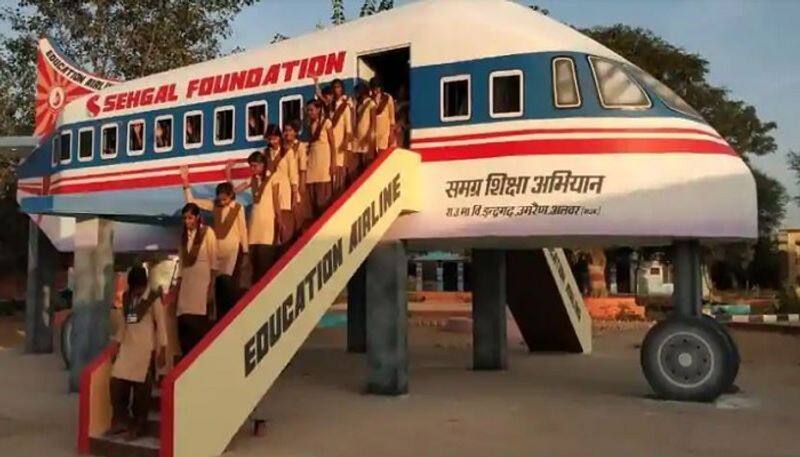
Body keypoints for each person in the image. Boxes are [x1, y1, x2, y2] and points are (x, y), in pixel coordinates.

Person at [108, 266, 167, 441]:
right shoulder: (127, 298)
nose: (137, 292)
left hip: (145, 349)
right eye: (134, 289)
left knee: (142, 392)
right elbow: (124, 325)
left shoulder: (153, 298)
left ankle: (139, 425)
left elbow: (161, 325)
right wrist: (116, 345)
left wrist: (162, 349)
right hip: (127, 348)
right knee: (116, 382)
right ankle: (120, 420)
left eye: (139, 288)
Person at [180, 170, 248, 279]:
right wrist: (185, 181)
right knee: (215, 279)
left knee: (226, 278)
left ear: (231, 196)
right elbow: (191, 201)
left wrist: (245, 252)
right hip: (216, 249)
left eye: (224, 199)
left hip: (231, 250)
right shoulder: (214, 206)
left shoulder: (238, 208)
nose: (222, 202)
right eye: (219, 200)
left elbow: (243, 230)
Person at [228, 151, 278, 282]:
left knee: (265, 263)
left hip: (267, 225)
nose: (252, 169)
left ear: (262, 165)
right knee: (253, 263)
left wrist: (279, 220)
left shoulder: (273, 177)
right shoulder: (252, 180)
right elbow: (233, 192)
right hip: (254, 225)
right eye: (251, 166)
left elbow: (277, 201)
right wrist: (228, 174)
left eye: (255, 166)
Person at [175, 203, 217, 356]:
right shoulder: (183, 237)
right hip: (186, 284)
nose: (187, 221)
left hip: (202, 282)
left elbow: (214, 261)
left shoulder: (208, 233)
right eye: (185, 218)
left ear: (198, 217)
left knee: (198, 323)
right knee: (184, 324)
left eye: (190, 218)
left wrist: (211, 286)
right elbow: (180, 265)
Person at [304, 100, 336, 218]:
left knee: (323, 199)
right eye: (308, 110)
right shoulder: (311, 124)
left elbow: (332, 144)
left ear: (318, 109)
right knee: (313, 198)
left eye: (311, 110)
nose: (310, 112)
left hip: (323, 164)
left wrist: (333, 162)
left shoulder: (326, 122)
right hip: (312, 164)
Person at [283, 120, 311, 233]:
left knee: (298, 210)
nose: (287, 133)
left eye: (290, 130)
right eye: (285, 130)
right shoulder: (282, 146)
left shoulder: (300, 146)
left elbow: (303, 168)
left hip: (297, 181)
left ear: (295, 132)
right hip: (285, 182)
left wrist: (302, 187)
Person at [326, 79, 353, 194]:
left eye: (339, 87)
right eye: (335, 87)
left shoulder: (345, 106)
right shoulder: (331, 106)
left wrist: (345, 142)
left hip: (341, 144)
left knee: (340, 175)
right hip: (331, 144)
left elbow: (349, 128)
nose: (337, 89)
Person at [350, 82, 377, 178]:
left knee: (367, 161)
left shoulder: (371, 103)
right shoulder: (359, 103)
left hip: (367, 134)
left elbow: (374, 121)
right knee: (359, 161)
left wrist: (369, 134)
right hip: (359, 135)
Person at [371, 77, 396, 152]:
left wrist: (391, 133)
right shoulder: (370, 99)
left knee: (383, 155)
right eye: (374, 88)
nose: (376, 90)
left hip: (385, 132)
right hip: (373, 133)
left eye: (378, 87)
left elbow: (392, 118)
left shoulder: (387, 98)